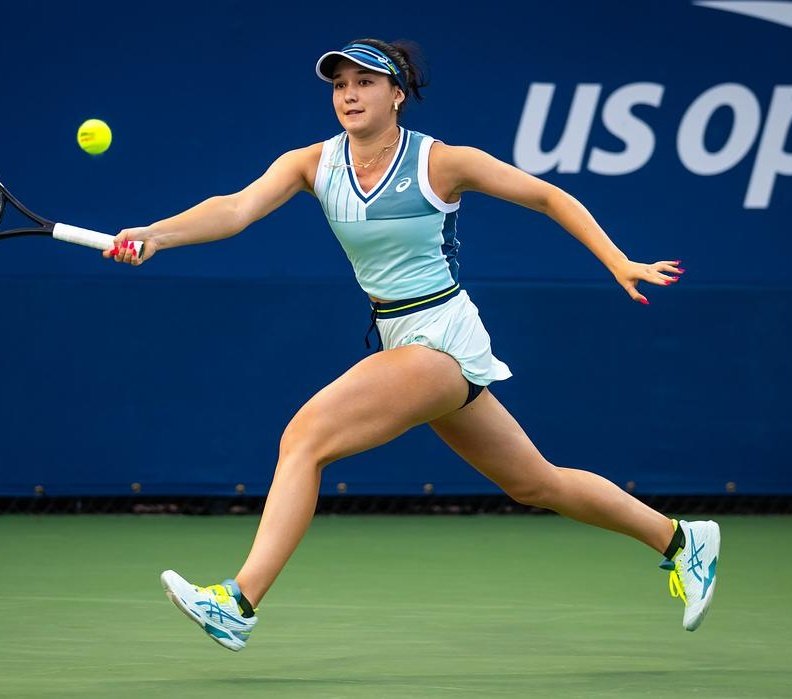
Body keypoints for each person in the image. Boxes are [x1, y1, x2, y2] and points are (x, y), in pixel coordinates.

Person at [105, 38, 720, 651]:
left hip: (440, 340)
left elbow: (546, 195)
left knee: (305, 438)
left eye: (365, 82)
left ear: (397, 94)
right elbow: (234, 209)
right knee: (537, 484)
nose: (349, 93)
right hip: (402, 338)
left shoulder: (442, 163)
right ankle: (680, 540)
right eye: (340, 84)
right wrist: (157, 235)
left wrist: (618, 262)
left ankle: (237, 602)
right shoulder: (310, 164)